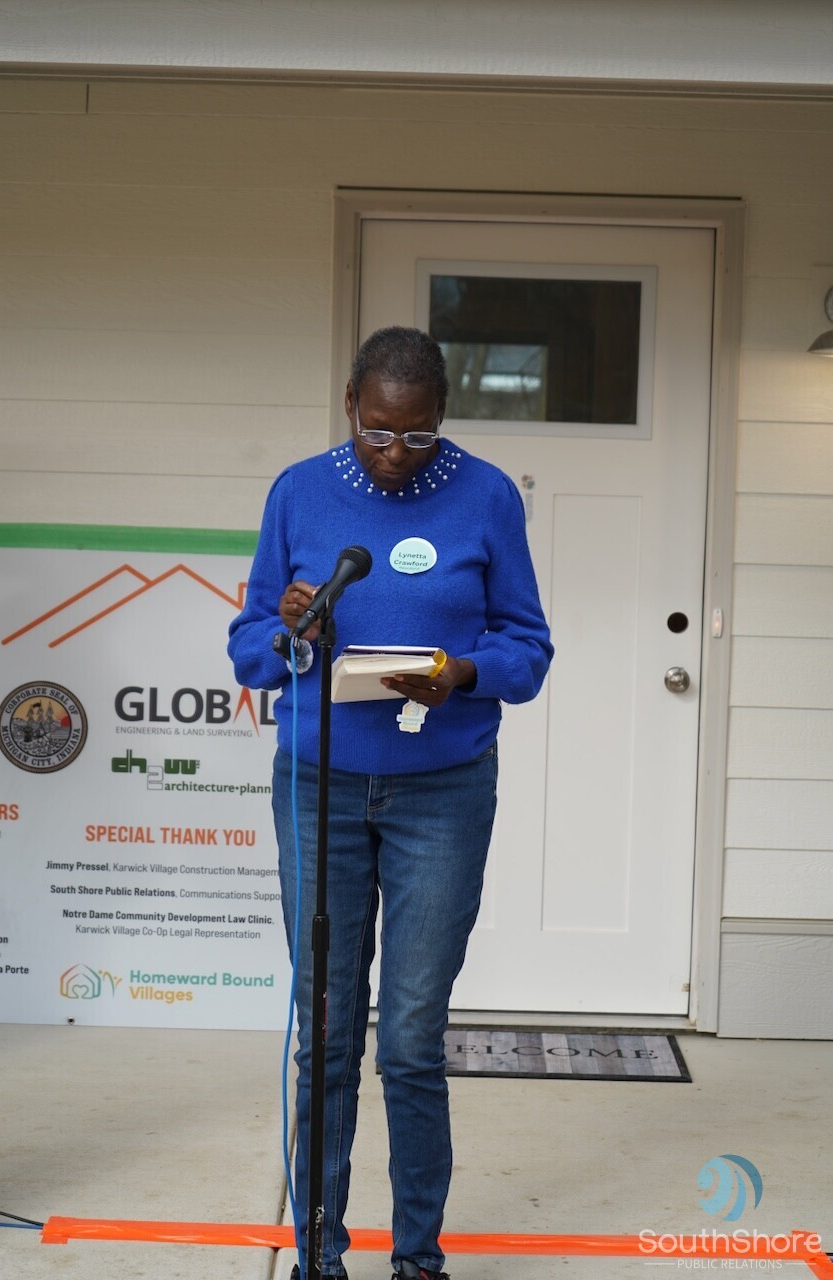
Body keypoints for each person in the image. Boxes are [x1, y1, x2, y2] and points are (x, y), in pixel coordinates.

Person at [228, 326, 553, 1280]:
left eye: (416, 435)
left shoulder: (487, 495)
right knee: (326, 1036)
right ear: (349, 406)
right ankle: (317, 1256)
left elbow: (528, 648)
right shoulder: (299, 491)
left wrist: (463, 673)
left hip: (443, 792)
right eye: (377, 431)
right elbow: (250, 647)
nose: (395, 453)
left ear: (442, 416)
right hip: (320, 784)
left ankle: (418, 1258)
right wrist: (290, 631)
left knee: (410, 1041)